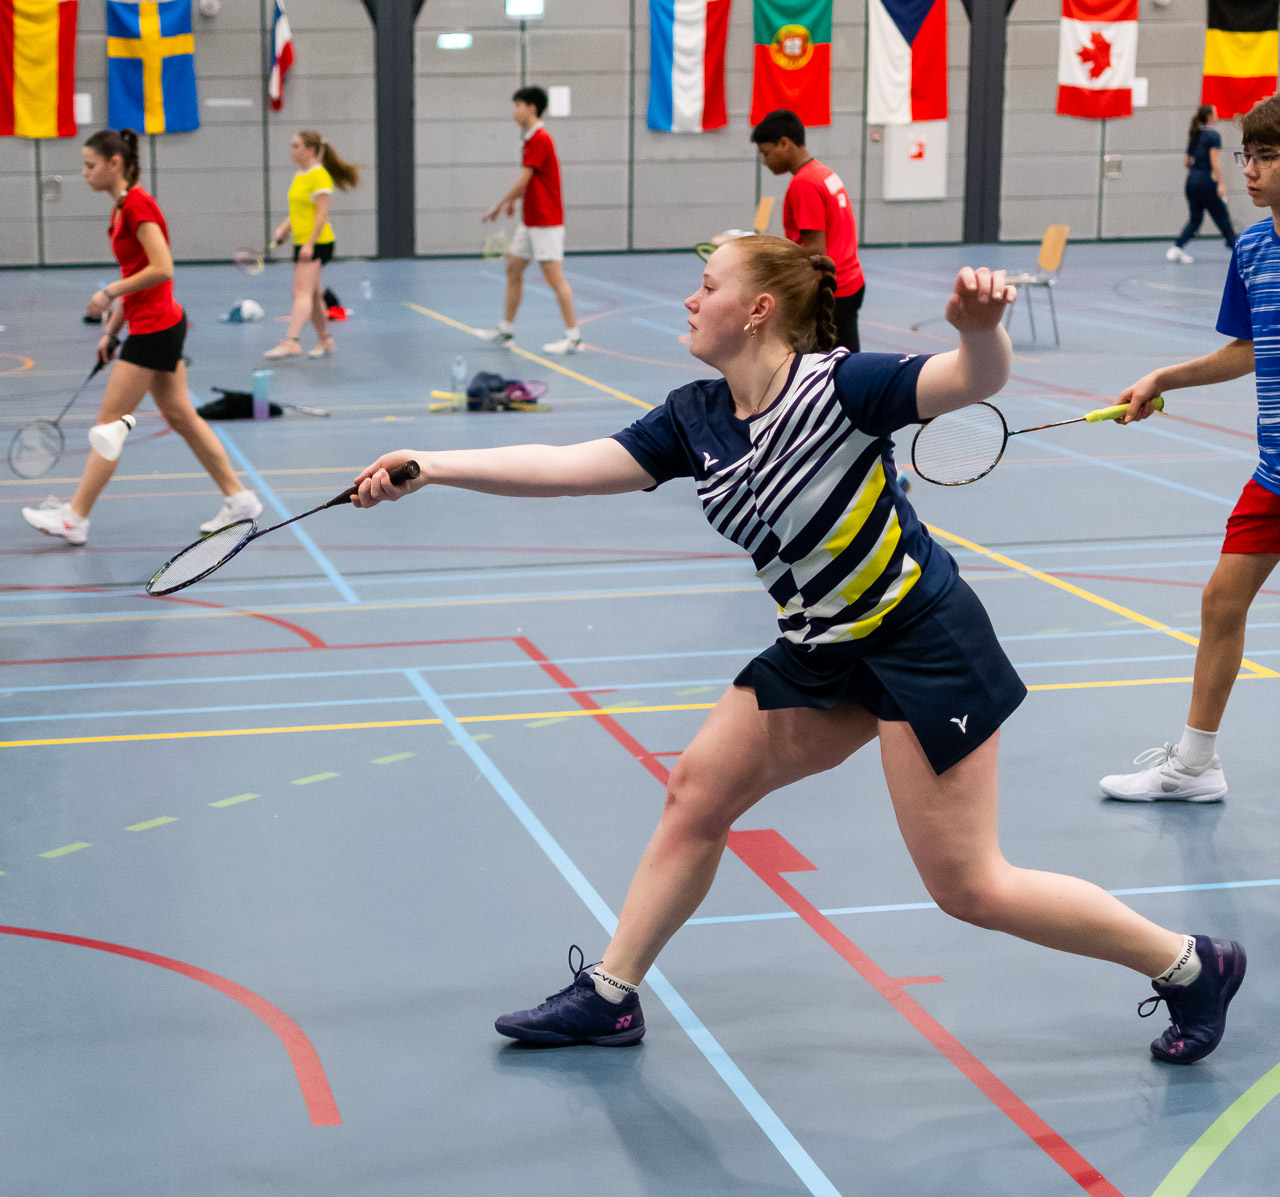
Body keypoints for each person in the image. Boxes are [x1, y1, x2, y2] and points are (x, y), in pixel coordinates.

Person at [352, 237, 1245, 1066]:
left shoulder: (841, 387)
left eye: (708, 286)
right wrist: (433, 464)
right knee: (697, 792)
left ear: (758, 311)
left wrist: (981, 332)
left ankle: (1190, 963)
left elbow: (970, 379)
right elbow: (572, 465)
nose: (690, 299)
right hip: (820, 647)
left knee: (970, 885)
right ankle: (611, 996)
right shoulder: (697, 416)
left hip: (923, 644)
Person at [1101, 94, 1280, 802]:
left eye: (1267, 157)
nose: (1251, 171)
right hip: (1275, 474)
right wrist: (1163, 378)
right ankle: (1196, 766)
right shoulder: (1253, 250)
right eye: (1248, 156)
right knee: (1219, 602)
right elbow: (1248, 348)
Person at [21, 128, 260, 545]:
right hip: (156, 323)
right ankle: (239, 500)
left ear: (115, 164)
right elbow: (136, 273)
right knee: (181, 416)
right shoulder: (120, 209)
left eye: (90, 165)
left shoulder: (137, 205)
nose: (84, 173)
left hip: (155, 329)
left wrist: (109, 293)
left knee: (108, 427)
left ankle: (75, 518)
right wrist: (112, 330)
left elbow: (162, 267)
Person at [752, 108, 865, 352]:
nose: (765, 161)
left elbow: (815, 249)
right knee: (846, 359)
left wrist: (770, 255)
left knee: (831, 365)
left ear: (785, 143)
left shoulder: (804, 183)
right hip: (851, 281)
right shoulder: (823, 173)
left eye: (766, 153)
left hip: (832, 291)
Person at [479, 86, 582, 355]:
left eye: (518, 106)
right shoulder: (531, 139)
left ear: (531, 108)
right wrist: (515, 203)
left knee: (554, 278)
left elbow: (524, 180)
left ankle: (573, 337)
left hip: (546, 221)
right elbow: (534, 182)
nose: (515, 112)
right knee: (514, 269)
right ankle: (506, 330)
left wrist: (500, 205)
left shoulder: (539, 138)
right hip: (531, 220)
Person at [264, 130, 360, 360]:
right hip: (303, 241)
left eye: (296, 146)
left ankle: (292, 341)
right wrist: (284, 229)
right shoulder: (301, 175)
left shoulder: (319, 176)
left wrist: (309, 243)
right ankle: (325, 340)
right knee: (313, 294)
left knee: (301, 292)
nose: (292, 150)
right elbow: (300, 210)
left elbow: (322, 214)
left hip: (318, 242)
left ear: (309, 149)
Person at [1167, 104, 1236, 264]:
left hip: (1191, 181)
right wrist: (1220, 183)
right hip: (1206, 182)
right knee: (1222, 216)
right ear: (1210, 117)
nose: (1217, 115)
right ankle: (1237, 248)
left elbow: (1187, 162)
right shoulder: (1213, 135)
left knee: (1195, 219)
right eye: (1216, 113)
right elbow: (1215, 163)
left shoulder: (1195, 134)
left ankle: (1176, 248)